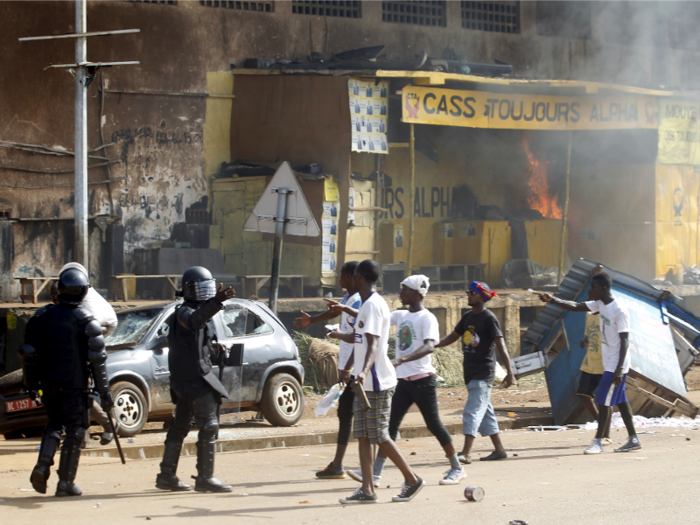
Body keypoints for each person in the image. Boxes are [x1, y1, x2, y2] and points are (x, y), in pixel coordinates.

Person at [348, 275, 466, 487]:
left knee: (433, 424)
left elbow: (430, 346)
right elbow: (373, 317)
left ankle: (456, 467)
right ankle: (375, 473)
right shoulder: (400, 315)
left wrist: (400, 359)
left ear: (417, 293)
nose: (400, 293)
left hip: (423, 380)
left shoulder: (427, 318)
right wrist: (344, 309)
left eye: (404, 290)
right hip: (402, 380)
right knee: (389, 426)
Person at [330, 259, 424, 504]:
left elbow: (372, 343)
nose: (348, 279)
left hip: (377, 381)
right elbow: (359, 337)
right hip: (364, 383)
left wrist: (363, 370)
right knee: (362, 435)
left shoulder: (373, 305)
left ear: (359, 276)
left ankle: (412, 479)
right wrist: (340, 338)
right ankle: (368, 489)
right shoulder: (366, 304)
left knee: (380, 435)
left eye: (352, 275)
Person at [19, 267, 113, 497]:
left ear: (60, 290)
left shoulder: (41, 317)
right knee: (75, 430)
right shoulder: (86, 322)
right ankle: (65, 482)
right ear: (83, 293)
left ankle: (42, 466)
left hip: (49, 385)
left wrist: (31, 384)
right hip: (75, 387)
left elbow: (27, 353)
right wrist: (105, 392)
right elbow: (97, 362)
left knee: (53, 425)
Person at [538, 271, 641, 454]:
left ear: (603, 289)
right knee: (621, 400)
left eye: (593, 287)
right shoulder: (600, 304)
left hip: (617, 362)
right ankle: (633, 439)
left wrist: (618, 369)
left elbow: (625, 340)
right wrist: (552, 300)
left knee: (602, 399)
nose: (590, 290)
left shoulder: (619, 310)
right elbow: (576, 306)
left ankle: (598, 441)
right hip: (609, 360)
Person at [156, 266, 236, 493]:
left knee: (180, 427)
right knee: (209, 426)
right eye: (202, 289)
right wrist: (217, 302)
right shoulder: (183, 311)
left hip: (187, 380)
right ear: (189, 290)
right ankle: (204, 478)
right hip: (192, 381)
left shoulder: (201, 312)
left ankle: (166, 475)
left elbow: (195, 343)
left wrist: (215, 349)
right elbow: (192, 322)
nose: (206, 294)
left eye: (209, 289)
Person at [293, 261, 362, 480]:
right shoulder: (348, 298)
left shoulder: (358, 300)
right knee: (345, 413)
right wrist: (312, 320)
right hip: (350, 366)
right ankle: (339, 464)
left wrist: (347, 367)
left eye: (342, 275)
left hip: (357, 368)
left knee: (361, 416)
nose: (339, 279)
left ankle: (372, 467)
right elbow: (336, 315)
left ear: (352, 276)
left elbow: (359, 338)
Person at [435, 281, 515, 465]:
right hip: (470, 372)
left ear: (482, 296)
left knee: (471, 412)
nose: (468, 295)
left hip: (483, 372)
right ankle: (499, 450)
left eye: (472, 293)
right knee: (485, 412)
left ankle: (465, 452)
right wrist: (433, 344)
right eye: (468, 292)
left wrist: (509, 372)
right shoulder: (467, 317)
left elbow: (501, 345)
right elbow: (452, 337)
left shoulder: (489, 318)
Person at [54, 264, 120, 447]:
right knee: (82, 395)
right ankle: (84, 435)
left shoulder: (85, 301)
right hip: (101, 328)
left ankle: (88, 433)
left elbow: (77, 327)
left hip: (97, 329)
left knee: (82, 392)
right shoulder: (85, 294)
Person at [576, 309, 612, 445]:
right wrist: (584, 341)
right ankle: (600, 422)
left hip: (604, 364)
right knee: (583, 394)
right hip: (589, 363)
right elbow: (588, 336)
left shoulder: (608, 315)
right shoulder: (589, 315)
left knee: (604, 400)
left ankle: (606, 435)